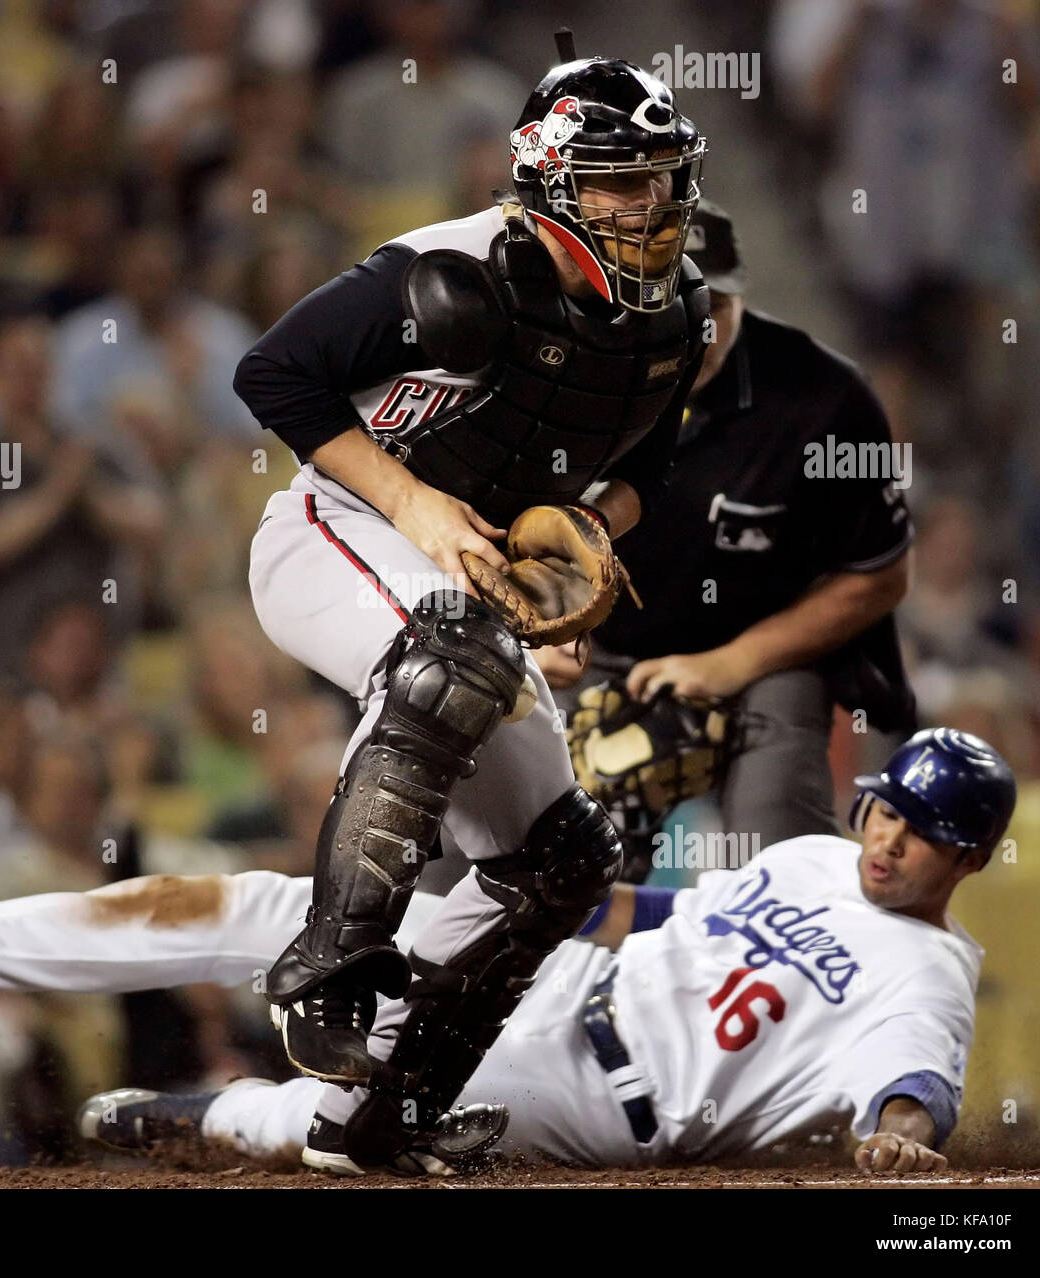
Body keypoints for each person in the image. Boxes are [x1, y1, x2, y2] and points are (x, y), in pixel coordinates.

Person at [0, 727, 1015, 1177]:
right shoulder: (811, 857)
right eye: (888, 812)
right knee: (298, 911)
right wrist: (563, 897)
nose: (892, 841)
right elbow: (661, 920)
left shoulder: (927, 972)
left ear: (968, 859)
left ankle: (221, 1115)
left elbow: (913, 1081)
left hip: (596, 1095)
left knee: (354, 1125)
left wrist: (896, 1142)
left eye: (926, 834)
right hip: (559, 975)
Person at [229, 36, 710, 1168]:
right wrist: (421, 512)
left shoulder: (677, 319)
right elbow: (271, 373)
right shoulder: (455, 271)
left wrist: (591, 536)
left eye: (659, 178)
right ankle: (325, 983)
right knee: (449, 662)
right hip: (338, 528)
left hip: (473, 577)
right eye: (617, 180)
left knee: (563, 861)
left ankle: (379, 1119)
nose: (649, 205)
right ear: (549, 182)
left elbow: (660, 470)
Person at [540, 201, 915, 874]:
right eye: (675, 299)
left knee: (779, 864)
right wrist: (543, 626)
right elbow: (504, 523)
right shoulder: (563, 370)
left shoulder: (823, 399)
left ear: (742, 294)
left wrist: (730, 664)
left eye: (716, 302)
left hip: (763, 658)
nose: (700, 325)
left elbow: (879, 575)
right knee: (534, 849)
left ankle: (780, 969)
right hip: (596, 643)